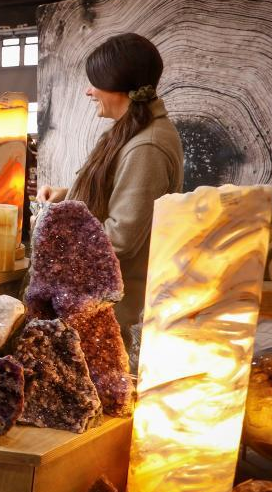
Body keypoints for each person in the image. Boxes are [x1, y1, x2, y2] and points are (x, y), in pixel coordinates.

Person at [38, 33, 183, 341]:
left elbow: (121, 239)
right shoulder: (133, 131)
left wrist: (56, 243)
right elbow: (120, 195)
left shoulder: (147, 145)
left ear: (117, 85)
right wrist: (67, 197)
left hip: (116, 315)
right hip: (102, 305)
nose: (88, 91)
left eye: (95, 83)